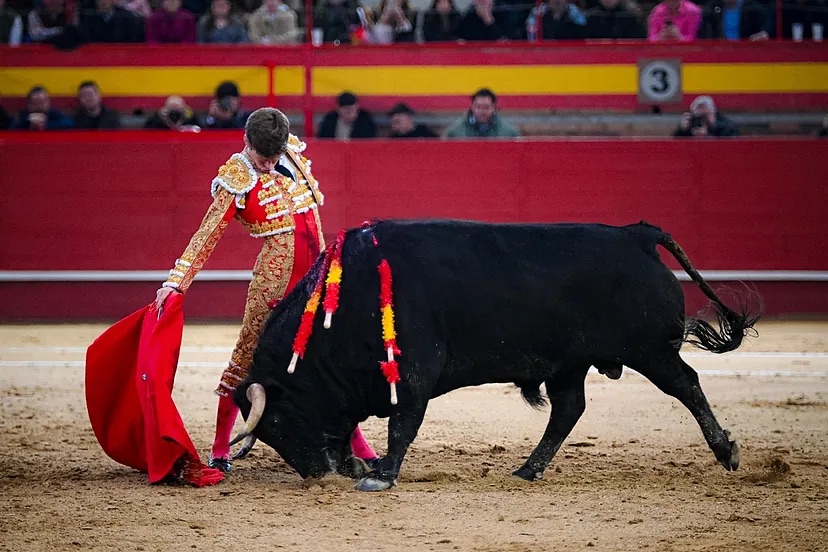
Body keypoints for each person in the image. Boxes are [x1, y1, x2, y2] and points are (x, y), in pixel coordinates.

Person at [153, 107, 380, 472]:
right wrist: (176, 283)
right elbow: (207, 235)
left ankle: (359, 446)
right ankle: (220, 448)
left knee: (328, 363)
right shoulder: (237, 175)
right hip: (274, 284)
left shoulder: (290, 151)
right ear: (247, 142)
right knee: (246, 359)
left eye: (274, 157)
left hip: (317, 279)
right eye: (263, 158)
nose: (269, 165)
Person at [442, 88, 520, 139]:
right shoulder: (454, 132)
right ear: (472, 106)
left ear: (493, 107)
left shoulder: (509, 133)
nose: (482, 111)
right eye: (478, 107)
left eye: (486, 107)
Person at [672, 95, 739, 137]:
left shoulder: (727, 127)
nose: (702, 121)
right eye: (699, 116)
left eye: (705, 115)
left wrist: (707, 136)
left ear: (713, 113)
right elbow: (674, 146)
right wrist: (682, 130)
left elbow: (729, 147)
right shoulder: (689, 126)